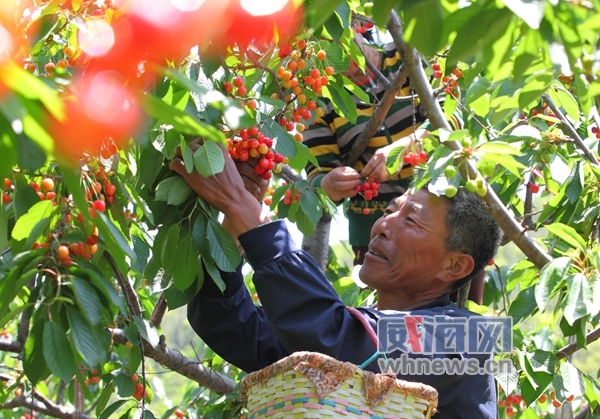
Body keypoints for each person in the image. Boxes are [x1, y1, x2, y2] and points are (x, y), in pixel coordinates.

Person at [169, 144, 503, 419]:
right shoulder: (360, 331)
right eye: (389, 210)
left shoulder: (471, 339)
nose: (383, 224)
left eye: (411, 220)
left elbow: (334, 341)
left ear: (454, 266)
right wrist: (234, 221)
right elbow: (229, 324)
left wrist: (244, 208)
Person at [302, 27, 462, 266]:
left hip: (446, 213)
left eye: (335, 36)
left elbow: (450, 119)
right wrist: (329, 184)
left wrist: (405, 149)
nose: (331, 50)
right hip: (376, 234)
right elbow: (316, 179)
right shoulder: (317, 99)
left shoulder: (407, 56)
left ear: (357, 24)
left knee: (455, 299)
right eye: (318, 45)